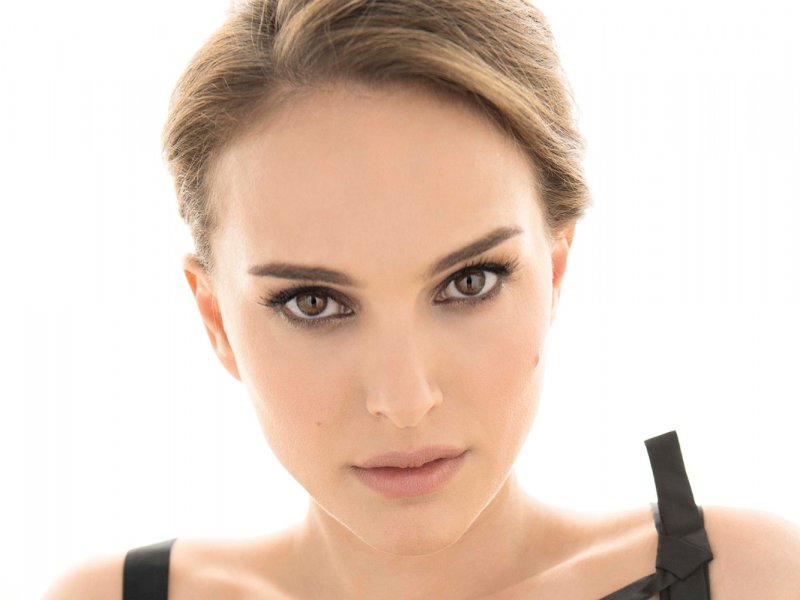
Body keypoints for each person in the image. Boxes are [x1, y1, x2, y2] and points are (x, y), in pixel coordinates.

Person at [43, 1, 800, 598]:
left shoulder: (753, 581)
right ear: (216, 320)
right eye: (312, 303)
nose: (405, 402)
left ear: (555, 273)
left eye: (469, 282)